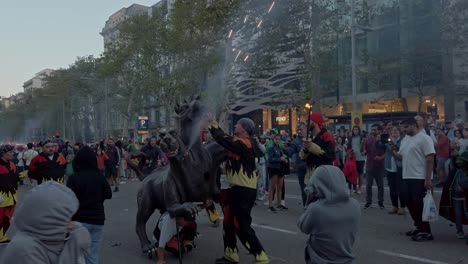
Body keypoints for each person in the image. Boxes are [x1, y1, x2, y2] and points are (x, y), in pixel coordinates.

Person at [207, 115, 269, 264]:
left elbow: (224, 139)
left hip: (244, 191)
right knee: (228, 222)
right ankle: (231, 254)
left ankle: (260, 255)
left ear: (245, 130)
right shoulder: (244, 143)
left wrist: (213, 123)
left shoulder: (245, 143)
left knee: (241, 224)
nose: (235, 126)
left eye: (238, 125)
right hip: (237, 189)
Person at [0, 181, 90, 263]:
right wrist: (73, 248)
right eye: (64, 220)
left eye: (70, 218)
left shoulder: (57, 237)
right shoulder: (24, 250)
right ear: (47, 220)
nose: (71, 226)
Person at [298, 165, 361, 264]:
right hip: (347, 260)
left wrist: (310, 199)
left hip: (320, 260)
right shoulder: (355, 205)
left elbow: (303, 227)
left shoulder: (316, 209)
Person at [391, 118, 435, 242]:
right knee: (409, 203)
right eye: (402, 128)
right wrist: (392, 148)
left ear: (413, 125)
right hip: (407, 176)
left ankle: (426, 231)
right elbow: (400, 157)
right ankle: (418, 226)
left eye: (405, 127)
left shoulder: (424, 138)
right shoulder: (405, 139)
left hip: (419, 177)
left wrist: (428, 178)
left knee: (419, 205)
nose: (403, 130)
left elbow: (430, 158)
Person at [66, 146, 112, 264]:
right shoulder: (99, 176)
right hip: (98, 219)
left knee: (77, 254)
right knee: (93, 252)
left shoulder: (73, 178)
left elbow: (68, 199)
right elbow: (108, 194)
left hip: (79, 221)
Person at [440, 151, 468, 243]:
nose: (460, 163)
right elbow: (449, 182)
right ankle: (459, 231)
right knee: (458, 215)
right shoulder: (455, 171)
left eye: (462, 162)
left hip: (465, 197)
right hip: (456, 197)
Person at [300, 112, 335, 184]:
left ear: (315, 122)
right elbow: (303, 157)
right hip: (311, 176)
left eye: (309, 121)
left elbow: (329, 156)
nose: (307, 124)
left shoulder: (326, 136)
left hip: (323, 175)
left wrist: (312, 146)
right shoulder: (310, 138)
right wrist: (305, 149)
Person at [363, 124, 386, 209]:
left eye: (375, 130)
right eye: (372, 130)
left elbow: (387, 152)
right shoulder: (368, 139)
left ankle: (380, 202)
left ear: (379, 131)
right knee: (368, 185)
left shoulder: (383, 139)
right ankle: (368, 202)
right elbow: (364, 150)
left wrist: (380, 157)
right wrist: (364, 151)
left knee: (380, 186)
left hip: (379, 166)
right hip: (369, 165)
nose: (373, 131)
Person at [286, 122, 308, 207]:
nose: (299, 131)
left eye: (301, 129)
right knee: (304, 189)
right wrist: (286, 150)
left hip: (311, 167)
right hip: (301, 168)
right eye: (298, 130)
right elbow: (291, 150)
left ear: (306, 129)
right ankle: (306, 207)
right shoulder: (296, 141)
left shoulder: (311, 138)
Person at [385, 126, 406, 215]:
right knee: (392, 188)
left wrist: (392, 146)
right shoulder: (387, 141)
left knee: (401, 188)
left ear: (399, 132)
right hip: (390, 167)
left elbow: (399, 151)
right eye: (393, 130)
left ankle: (402, 207)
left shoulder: (403, 140)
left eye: (396, 130)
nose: (394, 131)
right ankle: (394, 206)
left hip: (400, 167)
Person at [0, 145, 18, 245]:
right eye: (10, 152)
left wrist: (28, 173)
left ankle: (2, 237)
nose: (13, 153)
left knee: (6, 219)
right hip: (1, 197)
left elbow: (16, 177)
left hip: (11, 197)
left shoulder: (12, 164)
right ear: (3, 153)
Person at [266, 134, 288, 212]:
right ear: (273, 139)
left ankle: (279, 204)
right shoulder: (271, 148)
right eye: (276, 139)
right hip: (273, 168)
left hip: (280, 168)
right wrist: (280, 159)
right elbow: (270, 159)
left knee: (280, 187)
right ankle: (270, 205)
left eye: (279, 139)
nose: (277, 140)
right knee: (272, 187)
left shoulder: (279, 148)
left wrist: (285, 159)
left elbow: (283, 156)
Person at [347, 126, 366, 194]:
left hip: (360, 158)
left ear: (359, 130)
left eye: (357, 129)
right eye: (354, 129)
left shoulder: (362, 138)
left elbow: (365, 147)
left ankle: (359, 188)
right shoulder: (350, 138)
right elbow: (348, 148)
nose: (355, 131)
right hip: (352, 158)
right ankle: (353, 188)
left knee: (360, 173)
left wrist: (364, 152)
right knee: (353, 173)